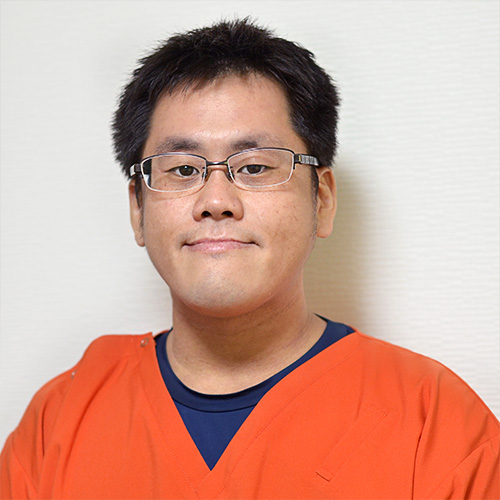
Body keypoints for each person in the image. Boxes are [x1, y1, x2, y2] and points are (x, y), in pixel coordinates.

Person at [1, 18, 498, 500]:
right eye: (182, 170)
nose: (216, 200)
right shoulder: (58, 422)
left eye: (255, 166)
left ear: (322, 200)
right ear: (138, 208)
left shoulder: (437, 424)